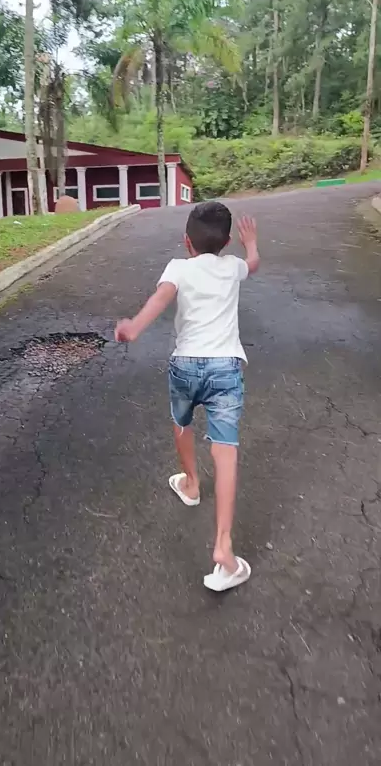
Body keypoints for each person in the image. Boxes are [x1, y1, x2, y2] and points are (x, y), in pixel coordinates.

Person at [115, 202, 260, 592]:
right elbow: (253, 265)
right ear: (226, 242)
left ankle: (192, 485)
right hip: (225, 367)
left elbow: (161, 297)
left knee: (181, 421)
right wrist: (251, 244)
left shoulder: (178, 268)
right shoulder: (232, 266)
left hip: (185, 365)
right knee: (225, 451)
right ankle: (224, 549)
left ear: (186, 241)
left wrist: (134, 327)